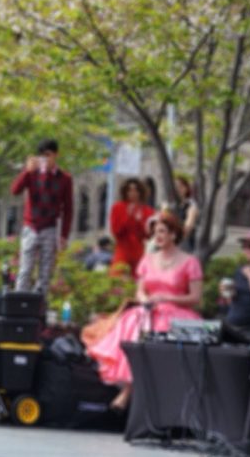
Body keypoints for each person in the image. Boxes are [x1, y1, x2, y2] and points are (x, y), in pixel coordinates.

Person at [87, 212, 202, 411]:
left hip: (176, 313)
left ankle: (128, 394)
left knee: (156, 331)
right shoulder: (147, 260)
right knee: (133, 327)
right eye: (155, 232)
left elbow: (195, 297)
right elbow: (140, 290)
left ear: (174, 234)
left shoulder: (190, 262)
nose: (157, 236)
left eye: (162, 232)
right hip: (149, 310)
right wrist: (144, 300)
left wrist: (167, 298)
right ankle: (128, 390)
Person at [10, 138, 73, 292]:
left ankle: (40, 304)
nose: (45, 159)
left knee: (45, 274)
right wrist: (26, 171)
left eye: (48, 155)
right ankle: (19, 302)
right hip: (31, 227)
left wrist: (64, 235)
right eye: (42, 155)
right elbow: (15, 190)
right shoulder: (32, 173)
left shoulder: (65, 179)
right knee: (25, 270)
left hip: (50, 228)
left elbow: (68, 209)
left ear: (56, 155)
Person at [109, 178, 157, 276]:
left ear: (140, 192)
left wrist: (139, 221)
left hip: (138, 251)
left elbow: (148, 235)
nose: (132, 193)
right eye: (129, 190)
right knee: (117, 277)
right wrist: (128, 217)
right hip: (122, 249)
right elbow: (116, 232)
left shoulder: (148, 211)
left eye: (136, 190)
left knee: (138, 278)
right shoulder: (118, 207)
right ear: (125, 192)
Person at [174, 175, 199, 251]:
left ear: (186, 188)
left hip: (186, 244)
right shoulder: (174, 205)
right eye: (175, 187)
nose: (177, 189)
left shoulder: (191, 205)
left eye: (180, 186)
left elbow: (188, 227)